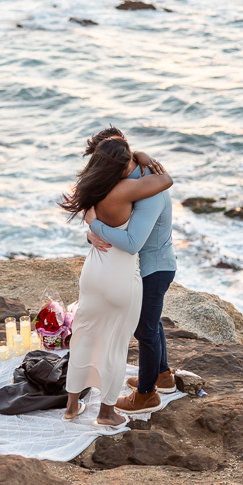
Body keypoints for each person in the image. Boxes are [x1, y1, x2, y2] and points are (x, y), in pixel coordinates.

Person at [59, 135, 173, 427]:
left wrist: (91, 226)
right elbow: (132, 242)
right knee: (118, 343)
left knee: (85, 335)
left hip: (95, 272)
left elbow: (97, 220)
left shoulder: (95, 187)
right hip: (124, 274)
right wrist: (94, 227)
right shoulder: (131, 189)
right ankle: (115, 408)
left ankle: (73, 405)